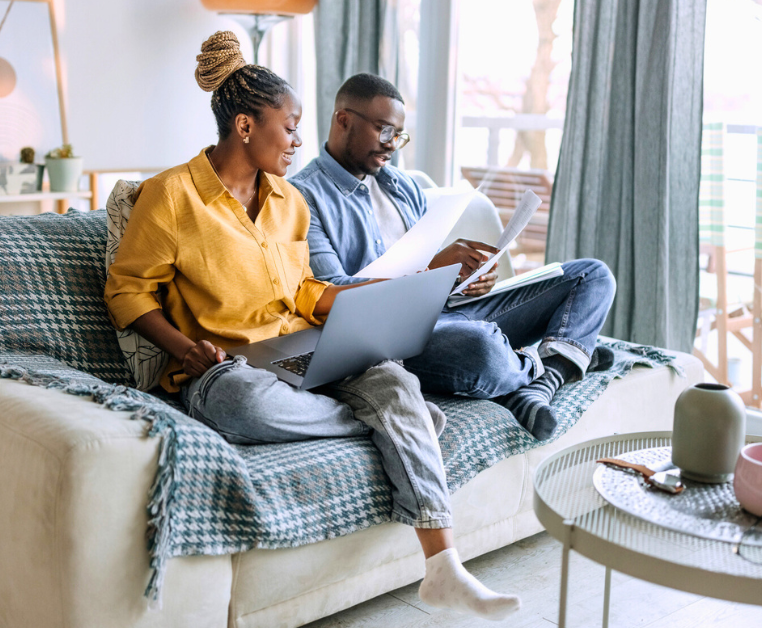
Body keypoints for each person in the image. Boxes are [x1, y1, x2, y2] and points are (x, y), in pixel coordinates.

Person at [104, 32, 520, 621]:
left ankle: (443, 566)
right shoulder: (171, 196)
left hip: (304, 344)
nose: (300, 140)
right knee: (245, 406)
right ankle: (397, 427)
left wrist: (359, 302)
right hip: (226, 367)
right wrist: (184, 348)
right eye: (291, 126)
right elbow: (126, 291)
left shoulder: (287, 202)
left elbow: (300, 290)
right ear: (245, 127)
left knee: (393, 378)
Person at [289, 73, 616, 440]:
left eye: (399, 135)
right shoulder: (302, 198)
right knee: (482, 348)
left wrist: (463, 280)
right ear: (343, 119)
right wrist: (430, 271)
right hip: (389, 339)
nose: (392, 145)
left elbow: (432, 276)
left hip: (447, 314)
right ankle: (561, 360)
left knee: (592, 275)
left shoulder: (403, 185)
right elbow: (330, 294)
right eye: (384, 131)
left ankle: (540, 380)